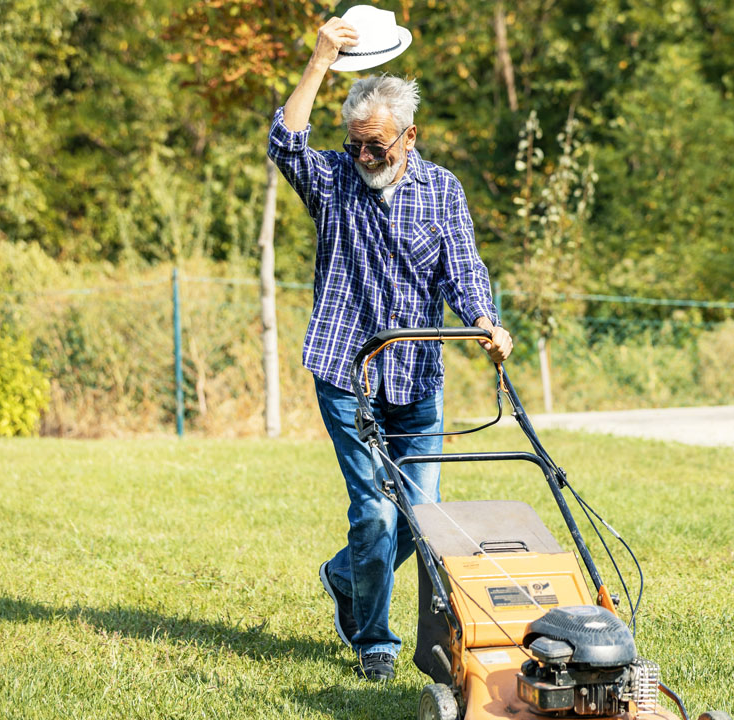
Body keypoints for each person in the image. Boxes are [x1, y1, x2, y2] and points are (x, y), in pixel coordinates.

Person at [267, 14, 514, 681]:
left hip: (416, 380)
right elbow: (286, 143)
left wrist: (486, 322)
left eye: (376, 146)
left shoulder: (443, 192)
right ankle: (374, 640)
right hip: (347, 373)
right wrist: (319, 59)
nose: (363, 158)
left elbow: (463, 271)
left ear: (410, 136)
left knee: (423, 518)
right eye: (355, 145)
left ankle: (343, 576)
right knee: (375, 512)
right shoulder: (336, 182)